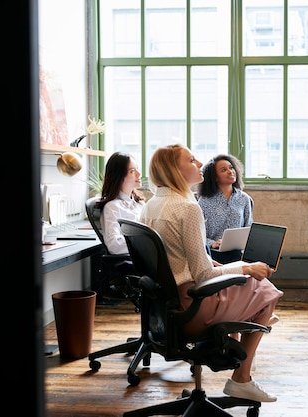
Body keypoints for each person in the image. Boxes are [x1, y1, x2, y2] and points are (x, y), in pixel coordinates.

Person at [140, 144, 284, 403]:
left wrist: (220, 265)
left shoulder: (151, 206)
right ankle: (241, 379)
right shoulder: (188, 208)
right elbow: (204, 275)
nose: (199, 162)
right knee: (267, 290)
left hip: (165, 308)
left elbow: (178, 258)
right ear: (175, 169)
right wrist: (247, 268)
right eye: (191, 159)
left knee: (255, 291)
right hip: (192, 306)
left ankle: (249, 325)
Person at [198, 154, 254, 263]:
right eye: (224, 170)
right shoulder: (204, 201)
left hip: (238, 255)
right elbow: (198, 233)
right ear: (214, 177)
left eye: (231, 167)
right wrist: (211, 243)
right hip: (213, 254)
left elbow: (249, 228)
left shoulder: (244, 199)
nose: (230, 171)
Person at [97, 152, 145, 256]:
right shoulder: (112, 207)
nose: (139, 174)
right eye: (132, 171)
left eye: (137, 169)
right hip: (135, 262)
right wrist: (145, 244)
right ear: (118, 176)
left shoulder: (140, 204)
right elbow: (114, 245)